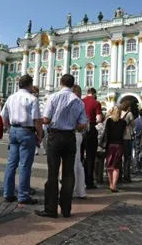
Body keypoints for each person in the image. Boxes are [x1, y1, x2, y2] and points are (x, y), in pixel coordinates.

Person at [35, 74, 87, 218]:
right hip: (70, 136)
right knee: (68, 174)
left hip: (55, 136)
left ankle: (51, 209)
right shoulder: (79, 102)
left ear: (61, 82)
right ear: (72, 84)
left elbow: (46, 119)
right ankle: (66, 209)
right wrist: (72, 124)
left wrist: (41, 122)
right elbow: (83, 124)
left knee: (52, 173)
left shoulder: (53, 97)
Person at [1, 75, 42, 204]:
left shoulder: (11, 98)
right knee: (25, 165)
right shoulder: (32, 98)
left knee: (11, 163)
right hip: (26, 131)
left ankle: (8, 193)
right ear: (30, 85)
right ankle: (23, 195)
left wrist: (9, 129)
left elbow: (4, 117)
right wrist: (39, 135)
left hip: (14, 130)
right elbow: (36, 120)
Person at [82, 88, 102, 189]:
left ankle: (80, 180)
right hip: (91, 130)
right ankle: (89, 181)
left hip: (81, 129)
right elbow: (98, 119)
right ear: (94, 93)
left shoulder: (81, 101)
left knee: (80, 156)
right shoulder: (96, 103)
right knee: (90, 157)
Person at [104, 106, 126, 192]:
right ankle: (114, 185)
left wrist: (108, 114)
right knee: (116, 167)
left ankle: (110, 184)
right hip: (119, 145)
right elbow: (124, 133)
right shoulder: (123, 122)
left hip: (110, 145)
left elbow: (104, 130)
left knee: (109, 166)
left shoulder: (109, 121)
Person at [71, 85, 86, 199]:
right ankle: (81, 190)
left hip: (72, 134)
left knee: (72, 164)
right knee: (78, 163)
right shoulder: (81, 103)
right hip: (78, 135)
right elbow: (84, 124)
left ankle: (71, 189)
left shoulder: (73, 103)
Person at [120, 101, 135, 183]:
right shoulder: (129, 114)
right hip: (127, 137)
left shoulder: (119, 112)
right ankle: (126, 176)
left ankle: (118, 176)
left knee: (119, 157)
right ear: (128, 107)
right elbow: (133, 124)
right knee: (127, 158)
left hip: (119, 137)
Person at [133, 109, 142, 173]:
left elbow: (134, 130)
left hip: (137, 138)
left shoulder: (136, 120)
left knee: (137, 153)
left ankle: (137, 168)